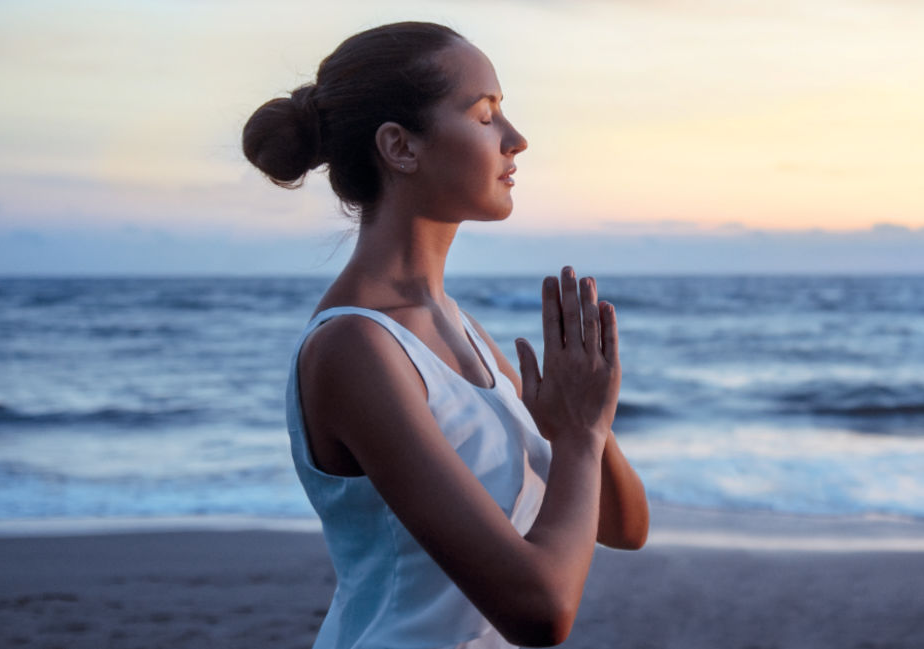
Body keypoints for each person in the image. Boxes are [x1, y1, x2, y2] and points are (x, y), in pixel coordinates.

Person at [242, 21, 649, 649]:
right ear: (401, 147)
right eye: (485, 115)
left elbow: (625, 525)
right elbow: (540, 611)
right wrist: (579, 436)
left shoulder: (464, 331)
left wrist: (582, 426)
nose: (517, 139)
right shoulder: (354, 348)